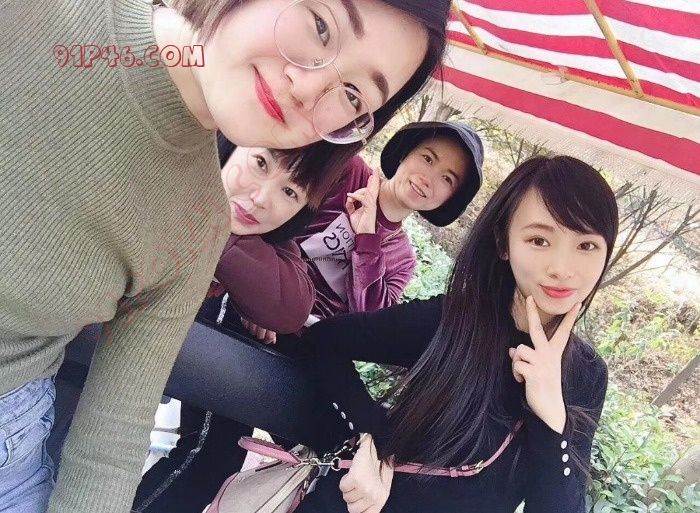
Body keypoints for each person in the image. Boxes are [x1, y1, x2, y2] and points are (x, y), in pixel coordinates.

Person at [0, 0, 453, 510]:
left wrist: (364, 242)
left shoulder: (206, 220)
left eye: (352, 95)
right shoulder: (54, 24)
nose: (309, 89)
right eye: (321, 27)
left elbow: (114, 433)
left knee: (213, 451)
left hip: (18, 418)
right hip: (221, 318)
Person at [133, 122, 484, 512]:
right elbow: (276, 220)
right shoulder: (346, 174)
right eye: (427, 158)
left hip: (304, 352)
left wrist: (367, 239)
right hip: (243, 311)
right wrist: (261, 300)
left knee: (336, 455)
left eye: (447, 178)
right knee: (210, 451)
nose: (428, 177)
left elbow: (365, 325)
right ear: (405, 153)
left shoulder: (401, 258)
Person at [296, 155, 619, 513]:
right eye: (539, 240)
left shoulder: (586, 374)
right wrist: (371, 440)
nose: (562, 269)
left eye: (586, 245)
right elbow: (322, 342)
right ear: (504, 243)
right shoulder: (455, 320)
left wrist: (551, 419)